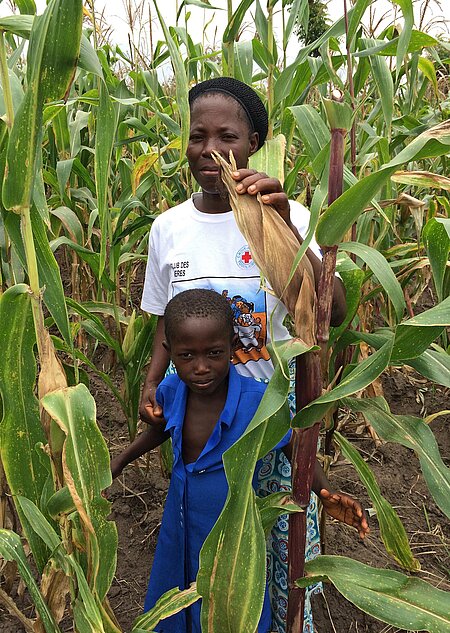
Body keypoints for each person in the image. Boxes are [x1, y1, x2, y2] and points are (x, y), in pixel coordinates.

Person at [139, 76, 347, 632]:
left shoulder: (288, 215)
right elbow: (166, 321)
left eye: (226, 135)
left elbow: (336, 310)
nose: (210, 150)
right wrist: (150, 382)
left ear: (253, 141)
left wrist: (278, 220)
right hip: (205, 436)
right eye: (196, 135)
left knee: (283, 571)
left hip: (273, 426)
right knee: (214, 576)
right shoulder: (170, 230)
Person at [111, 289, 369, 633]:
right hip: (180, 524)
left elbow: (293, 447)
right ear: (169, 352)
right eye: (187, 356)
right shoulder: (171, 390)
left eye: (214, 353)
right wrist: (118, 463)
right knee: (172, 601)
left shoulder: (257, 401)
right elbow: (161, 431)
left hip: (232, 535)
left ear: (234, 346)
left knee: (233, 610)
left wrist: (325, 492)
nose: (201, 367)